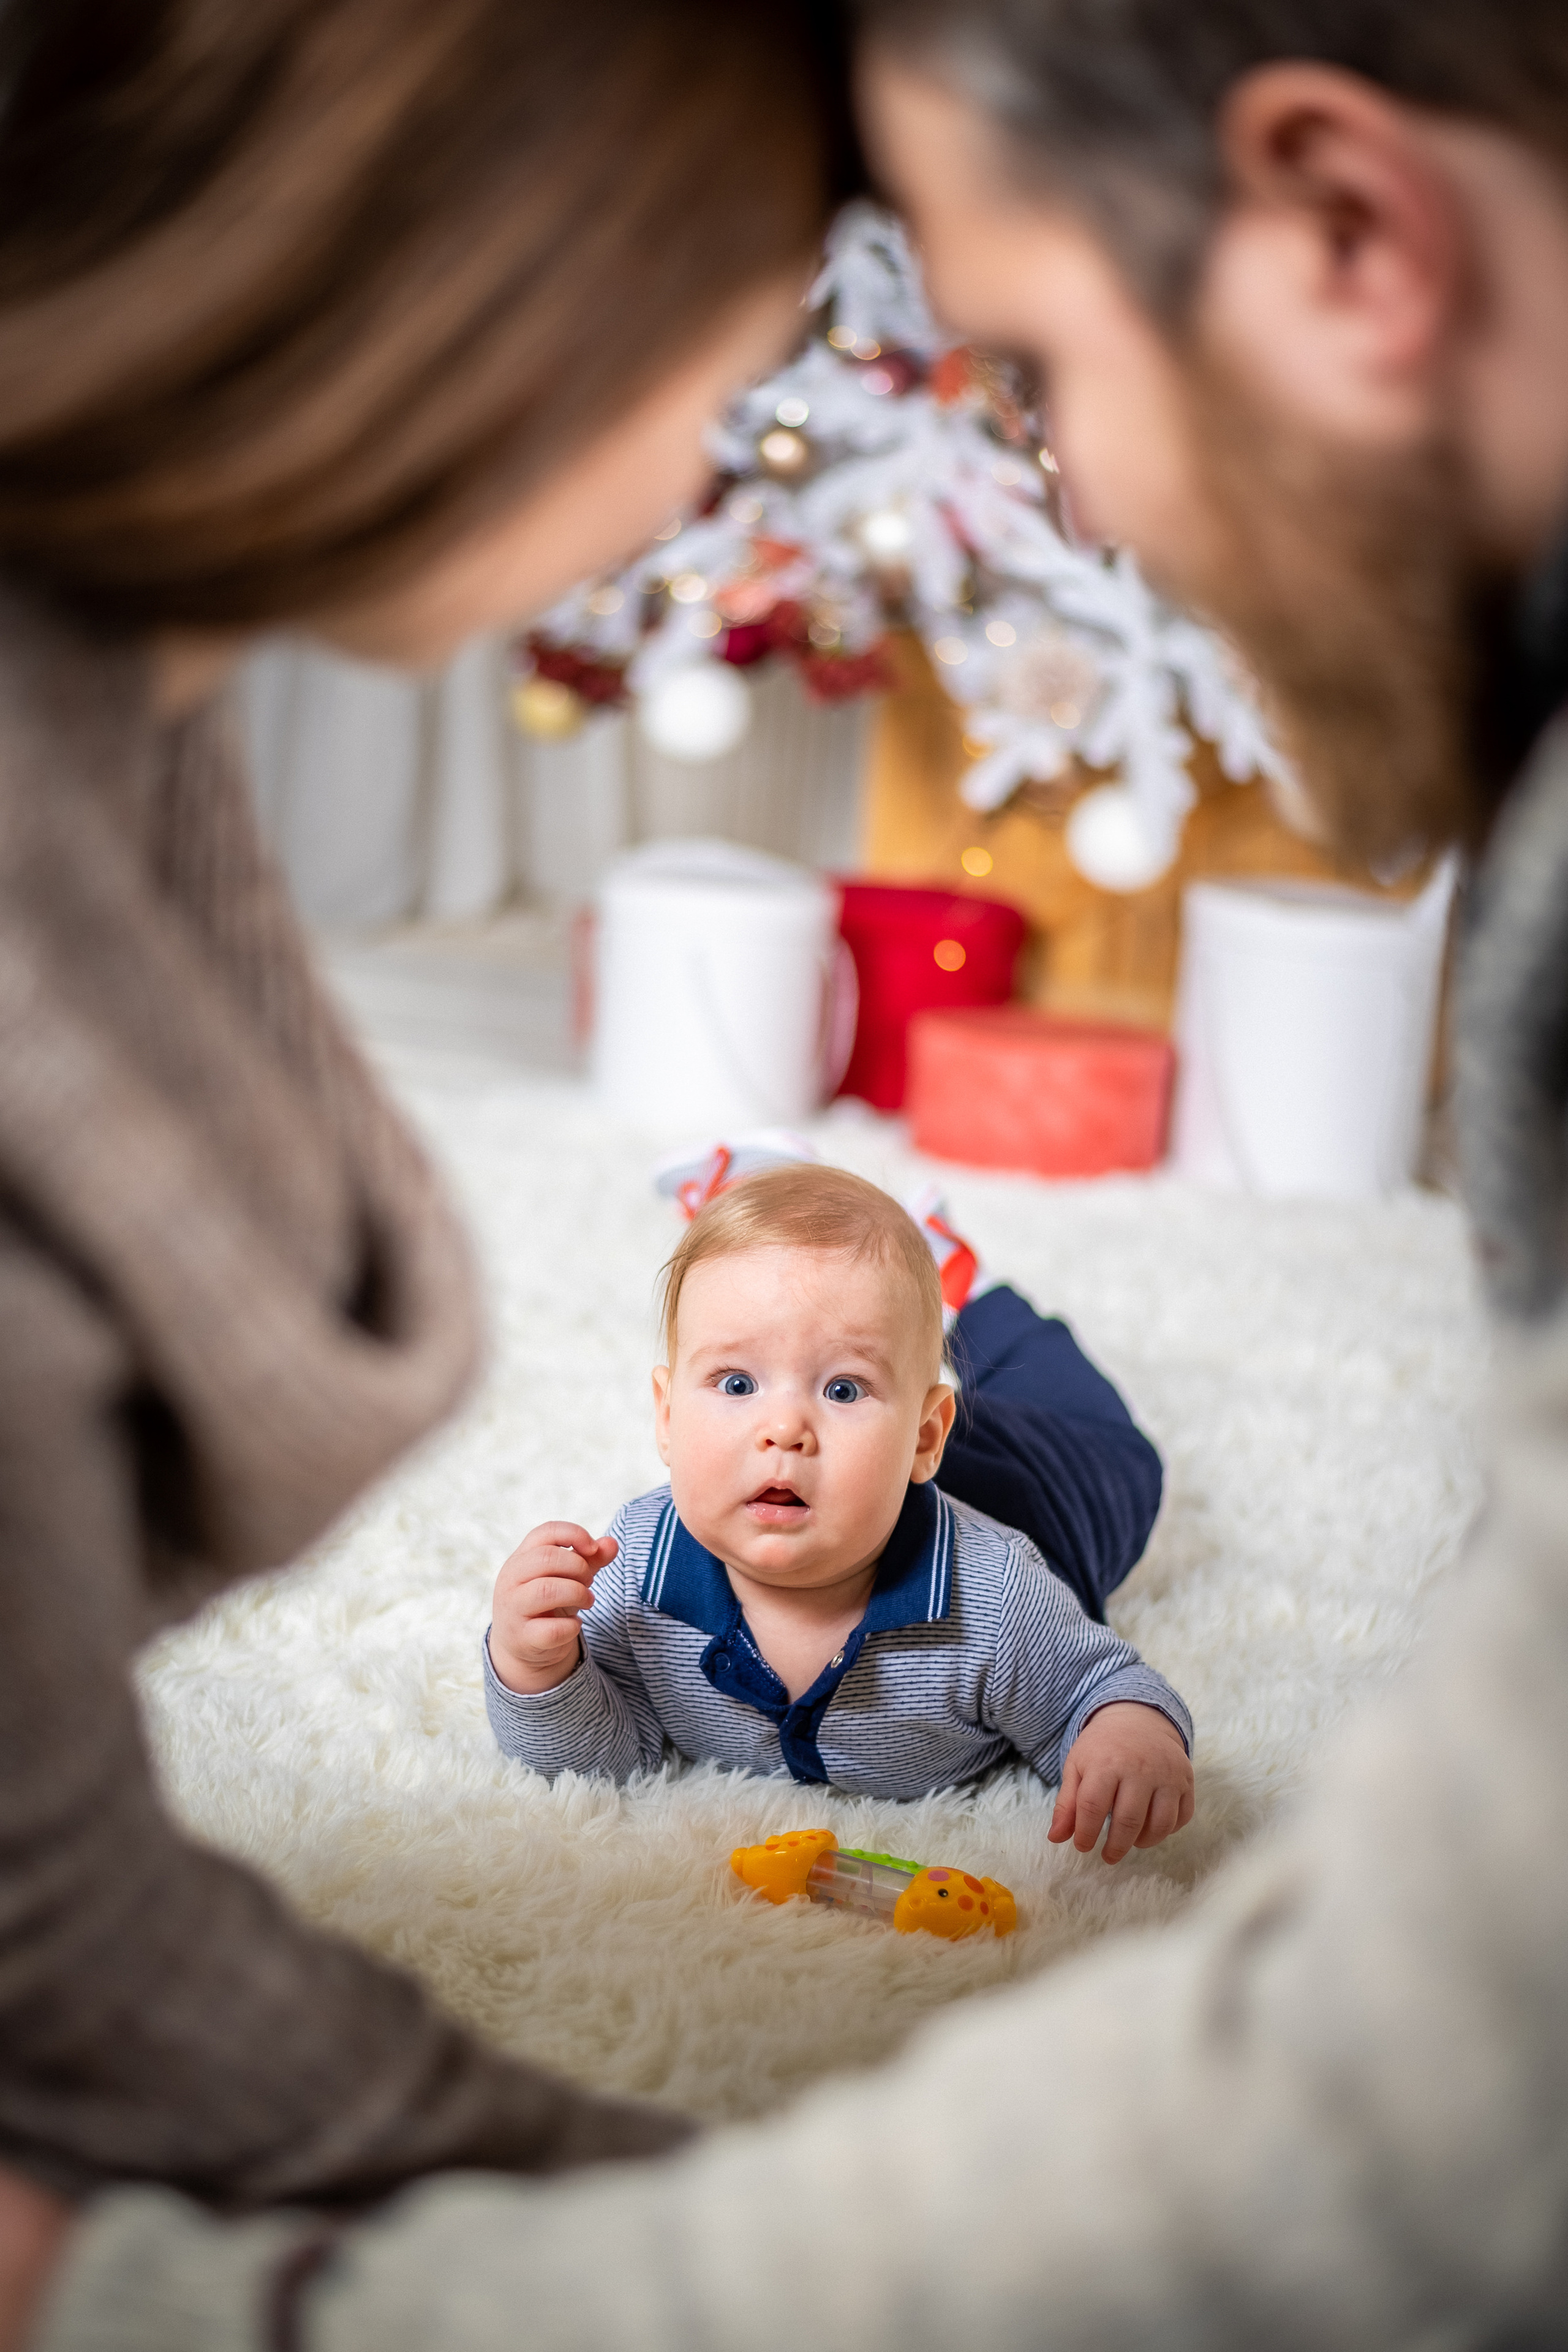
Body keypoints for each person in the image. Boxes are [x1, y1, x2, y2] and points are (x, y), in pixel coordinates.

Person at [14, 1, 1568, 2345]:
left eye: (1029, 368)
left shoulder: (978, 1555)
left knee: (1053, 1434)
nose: (1067, 509)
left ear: (1351, 231)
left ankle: (976, 1318)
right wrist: (544, 1659)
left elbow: (1425, 2099)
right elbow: (550, 1725)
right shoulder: (641, 1537)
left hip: (1014, 1460)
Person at [0, 0, 857, 2232]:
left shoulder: (120, 726)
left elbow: (1062, 1671)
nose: (702, 480)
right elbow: (63, 1941)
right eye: (716, 390)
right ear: (500, 312)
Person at [485, 1163, 1191, 1855]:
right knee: (867, 1332)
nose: (784, 1429)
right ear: (667, 1417)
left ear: (923, 1437)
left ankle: (966, 1290)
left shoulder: (997, 1600)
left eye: (843, 1390)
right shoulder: (636, 1571)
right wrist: (538, 1669)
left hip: (1045, 1484)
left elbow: (1099, 1683)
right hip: (887, 1477)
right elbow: (602, 1764)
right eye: (736, 1383)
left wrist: (1124, 1730)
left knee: (1115, 1444)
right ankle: (889, 1318)